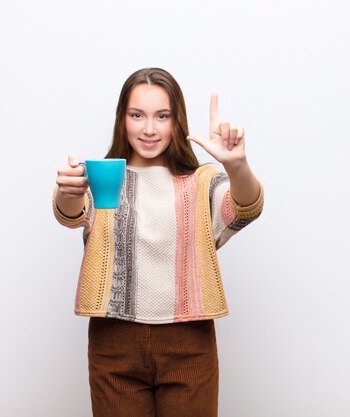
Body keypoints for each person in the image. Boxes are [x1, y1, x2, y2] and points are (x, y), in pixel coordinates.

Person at [53, 67, 263, 417]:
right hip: (113, 341)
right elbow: (71, 212)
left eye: (161, 116)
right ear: (123, 119)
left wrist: (238, 165)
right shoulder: (101, 176)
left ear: (176, 120)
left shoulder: (201, 182)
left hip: (189, 343)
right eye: (137, 115)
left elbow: (246, 207)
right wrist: (67, 191)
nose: (149, 129)